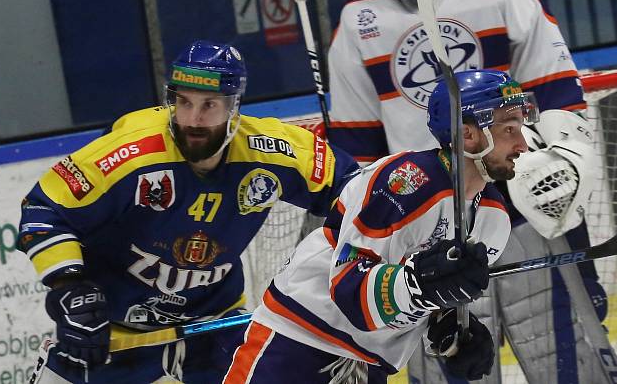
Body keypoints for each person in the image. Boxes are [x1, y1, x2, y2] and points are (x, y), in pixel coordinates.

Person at [326, 0, 611, 382]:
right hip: (426, 229)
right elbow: (358, 147)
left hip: (521, 204)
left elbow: (559, 87)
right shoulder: (360, 19)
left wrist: (565, 165)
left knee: (565, 354)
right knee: (453, 362)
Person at [17, 40, 359, 383]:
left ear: (234, 108)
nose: (193, 119)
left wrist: (367, 253)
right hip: (111, 332)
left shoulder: (268, 149)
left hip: (214, 327)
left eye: (208, 105)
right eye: (184, 102)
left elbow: (356, 188)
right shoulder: (133, 151)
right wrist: (70, 287)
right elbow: (44, 208)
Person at [223, 69, 537, 383]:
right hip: (297, 344)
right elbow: (350, 292)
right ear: (467, 134)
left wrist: (451, 326)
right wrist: (418, 284)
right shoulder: (403, 182)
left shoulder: (493, 220)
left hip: (370, 366)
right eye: (510, 129)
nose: (522, 144)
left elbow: (424, 299)